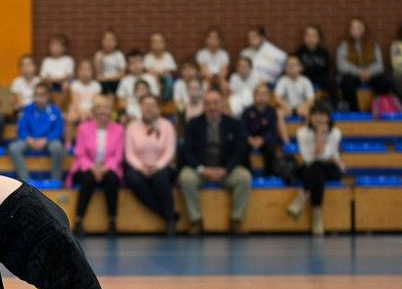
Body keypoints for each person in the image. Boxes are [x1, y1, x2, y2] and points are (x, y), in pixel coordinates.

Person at [177, 89, 252, 236]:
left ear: (222, 104)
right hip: (201, 170)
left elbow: (240, 151)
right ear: (204, 106)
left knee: (244, 177)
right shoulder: (193, 124)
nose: (212, 107)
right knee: (185, 177)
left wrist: (226, 169)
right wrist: (201, 169)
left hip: (226, 170)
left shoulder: (234, 124)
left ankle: (236, 220)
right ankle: (196, 220)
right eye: (208, 104)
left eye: (216, 103)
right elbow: (186, 152)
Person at [286, 101, 345, 237]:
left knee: (318, 168)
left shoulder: (335, 133)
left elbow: (326, 155)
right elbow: (308, 159)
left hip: (330, 168)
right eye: (315, 114)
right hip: (312, 167)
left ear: (328, 117)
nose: (318, 118)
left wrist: (321, 136)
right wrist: (319, 137)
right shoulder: (302, 132)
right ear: (310, 116)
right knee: (317, 169)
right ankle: (317, 218)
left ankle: (301, 198)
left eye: (322, 115)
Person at [67, 96, 123, 237]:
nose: (103, 112)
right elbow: (80, 153)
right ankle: (79, 221)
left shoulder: (119, 129)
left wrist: (105, 168)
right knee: (88, 178)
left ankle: (112, 221)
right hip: (86, 167)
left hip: (109, 168)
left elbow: (118, 155)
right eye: (100, 109)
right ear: (94, 111)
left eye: (106, 109)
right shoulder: (83, 128)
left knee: (111, 179)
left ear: (111, 112)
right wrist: (92, 167)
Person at [124, 93, 177, 235]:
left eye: (152, 105)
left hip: (162, 167)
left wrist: (157, 167)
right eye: (145, 105)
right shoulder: (132, 126)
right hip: (139, 167)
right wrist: (141, 168)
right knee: (132, 178)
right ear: (140, 107)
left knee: (161, 178)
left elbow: (169, 150)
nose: (148, 108)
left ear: (158, 108)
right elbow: (129, 153)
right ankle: (168, 215)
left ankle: (170, 221)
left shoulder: (167, 125)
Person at [8, 83, 65, 183]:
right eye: (37, 95)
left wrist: (46, 139)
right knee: (14, 147)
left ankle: (55, 180)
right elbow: (21, 128)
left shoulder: (55, 110)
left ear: (48, 96)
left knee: (57, 147)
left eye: (42, 95)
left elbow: (58, 130)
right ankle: (25, 181)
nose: (40, 98)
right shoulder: (27, 109)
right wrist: (28, 138)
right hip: (29, 140)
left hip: (48, 141)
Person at [337, 17, 388, 111]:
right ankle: (354, 110)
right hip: (353, 75)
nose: (356, 30)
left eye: (358, 28)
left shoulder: (373, 44)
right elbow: (341, 65)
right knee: (347, 81)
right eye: (353, 28)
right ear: (349, 30)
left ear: (364, 29)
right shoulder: (344, 45)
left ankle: (376, 109)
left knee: (383, 81)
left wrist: (369, 72)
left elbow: (380, 65)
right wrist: (359, 72)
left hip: (370, 75)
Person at [242, 83, 289, 180]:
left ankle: (270, 174)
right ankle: (248, 174)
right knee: (242, 146)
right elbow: (243, 128)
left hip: (266, 139)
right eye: (259, 94)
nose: (261, 97)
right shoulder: (247, 111)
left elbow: (272, 130)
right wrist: (249, 138)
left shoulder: (272, 112)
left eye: (264, 94)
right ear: (254, 96)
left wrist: (262, 139)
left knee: (270, 146)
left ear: (268, 96)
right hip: (250, 139)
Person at [292, 24, 337, 106]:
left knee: (331, 82)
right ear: (304, 37)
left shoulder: (324, 52)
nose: (310, 38)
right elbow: (295, 67)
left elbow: (327, 68)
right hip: (304, 77)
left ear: (318, 38)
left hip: (321, 77)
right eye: (308, 35)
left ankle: (334, 105)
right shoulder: (298, 52)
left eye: (313, 35)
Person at [66, 59, 102, 147]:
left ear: (92, 72)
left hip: (91, 110)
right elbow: (75, 101)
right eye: (82, 69)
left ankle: (93, 142)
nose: (85, 72)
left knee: (96, 118)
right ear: (78, 72)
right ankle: (68, 142)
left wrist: (89, 112)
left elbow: (95, 102)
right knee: (70, 118)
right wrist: (81, 112)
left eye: (88, 69)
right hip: (76, 109)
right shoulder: (75, 84)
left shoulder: (96, 85)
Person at [115, 50, 159, 120]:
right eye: (132, 63)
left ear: (143, 63)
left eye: (138, 61)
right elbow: (121, 102)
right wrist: (133, 105)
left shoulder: (151, 78)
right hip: (131, 113)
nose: (135, 65)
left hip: (149, 111)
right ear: (128, 66)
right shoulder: (124, 81)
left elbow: (156, 98)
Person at [171, 60, 205, 133]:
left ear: (196, 70)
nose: (189, 71)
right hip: (185, 110)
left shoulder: (203, 83)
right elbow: (177, 103)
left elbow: (204, 100)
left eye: (191, 68)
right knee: (179, 111)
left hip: (200, 108)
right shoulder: (178, 84)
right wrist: (187, 108)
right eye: (185, 69)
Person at [144, 32, 177, 101]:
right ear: (151, 44)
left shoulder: (168, 56)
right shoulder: (147, 57)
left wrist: (159, 77)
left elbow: (171, 71)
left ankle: (165, 101)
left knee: (169, 80)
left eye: (159, 42)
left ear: (164, 44)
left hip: (165, 80)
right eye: (154, 42)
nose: (157, 44)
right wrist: (157, 80)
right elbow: (148, 71)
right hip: (152, 79)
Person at [196, 27, 230, 93]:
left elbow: (224, 72)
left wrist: (218, 79)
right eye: (210, 38)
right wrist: (211, 78)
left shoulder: (224, 54)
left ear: (219, 41)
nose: (213, 40)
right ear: (206, 40)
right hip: (206, 78)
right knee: (205, 85)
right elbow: (203, 70)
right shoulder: (201, 53)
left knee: (225, 85)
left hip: (220, 79)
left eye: (215, 38)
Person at [93, 30, 126, 94]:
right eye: (106, 39)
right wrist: (100, 61)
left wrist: (107, 78)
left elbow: (122, 74)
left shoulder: (119, 55)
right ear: (102, 42)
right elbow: (98, 75)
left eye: (111, 40)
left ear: (115, 43)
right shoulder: (98, 55)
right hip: (103, 83)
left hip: (116, 82)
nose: (109, 42)